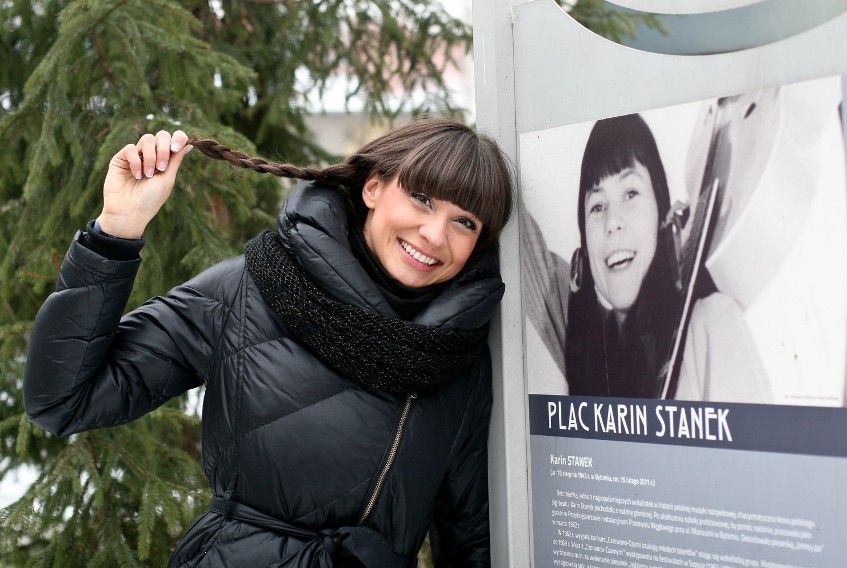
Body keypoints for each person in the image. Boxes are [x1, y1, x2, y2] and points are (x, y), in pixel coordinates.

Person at [23, 117, 515, 567]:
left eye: (464, 222)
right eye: (422, 199)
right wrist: (117, 231)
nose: (433, 234)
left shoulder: (457, 355)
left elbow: (469, 539)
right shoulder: (254, 288)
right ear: (372, 187)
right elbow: (64, 399)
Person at [525, 112, 771, 402]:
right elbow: (519, 238)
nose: (612, 221)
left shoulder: (710, 322)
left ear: (661, 212)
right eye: (597, 206)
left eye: (630, 193)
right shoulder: (584, 343)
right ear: (585, 246)